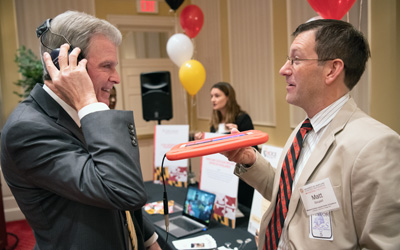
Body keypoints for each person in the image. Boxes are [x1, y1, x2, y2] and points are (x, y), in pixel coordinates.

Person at [223, 19, 400, 249]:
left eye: (295, 60)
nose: (283, 69)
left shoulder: (376, 145)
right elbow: (291, 196)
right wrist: (250, 160)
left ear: (332, 70)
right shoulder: (302, 132)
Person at [1, 11, 161, 250]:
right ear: (65, 64)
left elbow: (117, 195)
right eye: (107, 66)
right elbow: (124, 190)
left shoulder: (81, 113)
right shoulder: (27, 130)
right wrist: (89, 102)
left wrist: (148, 240)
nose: (116, 78)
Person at [195, 82, 257, 209]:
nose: (213, 100)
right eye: (211, 96)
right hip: (221, 175)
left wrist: (238, 134)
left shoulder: (242, 119)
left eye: (217, 96)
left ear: (228, 97)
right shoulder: (215, 123)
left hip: (240, 180)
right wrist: (202, 140)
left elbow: (253, 150)